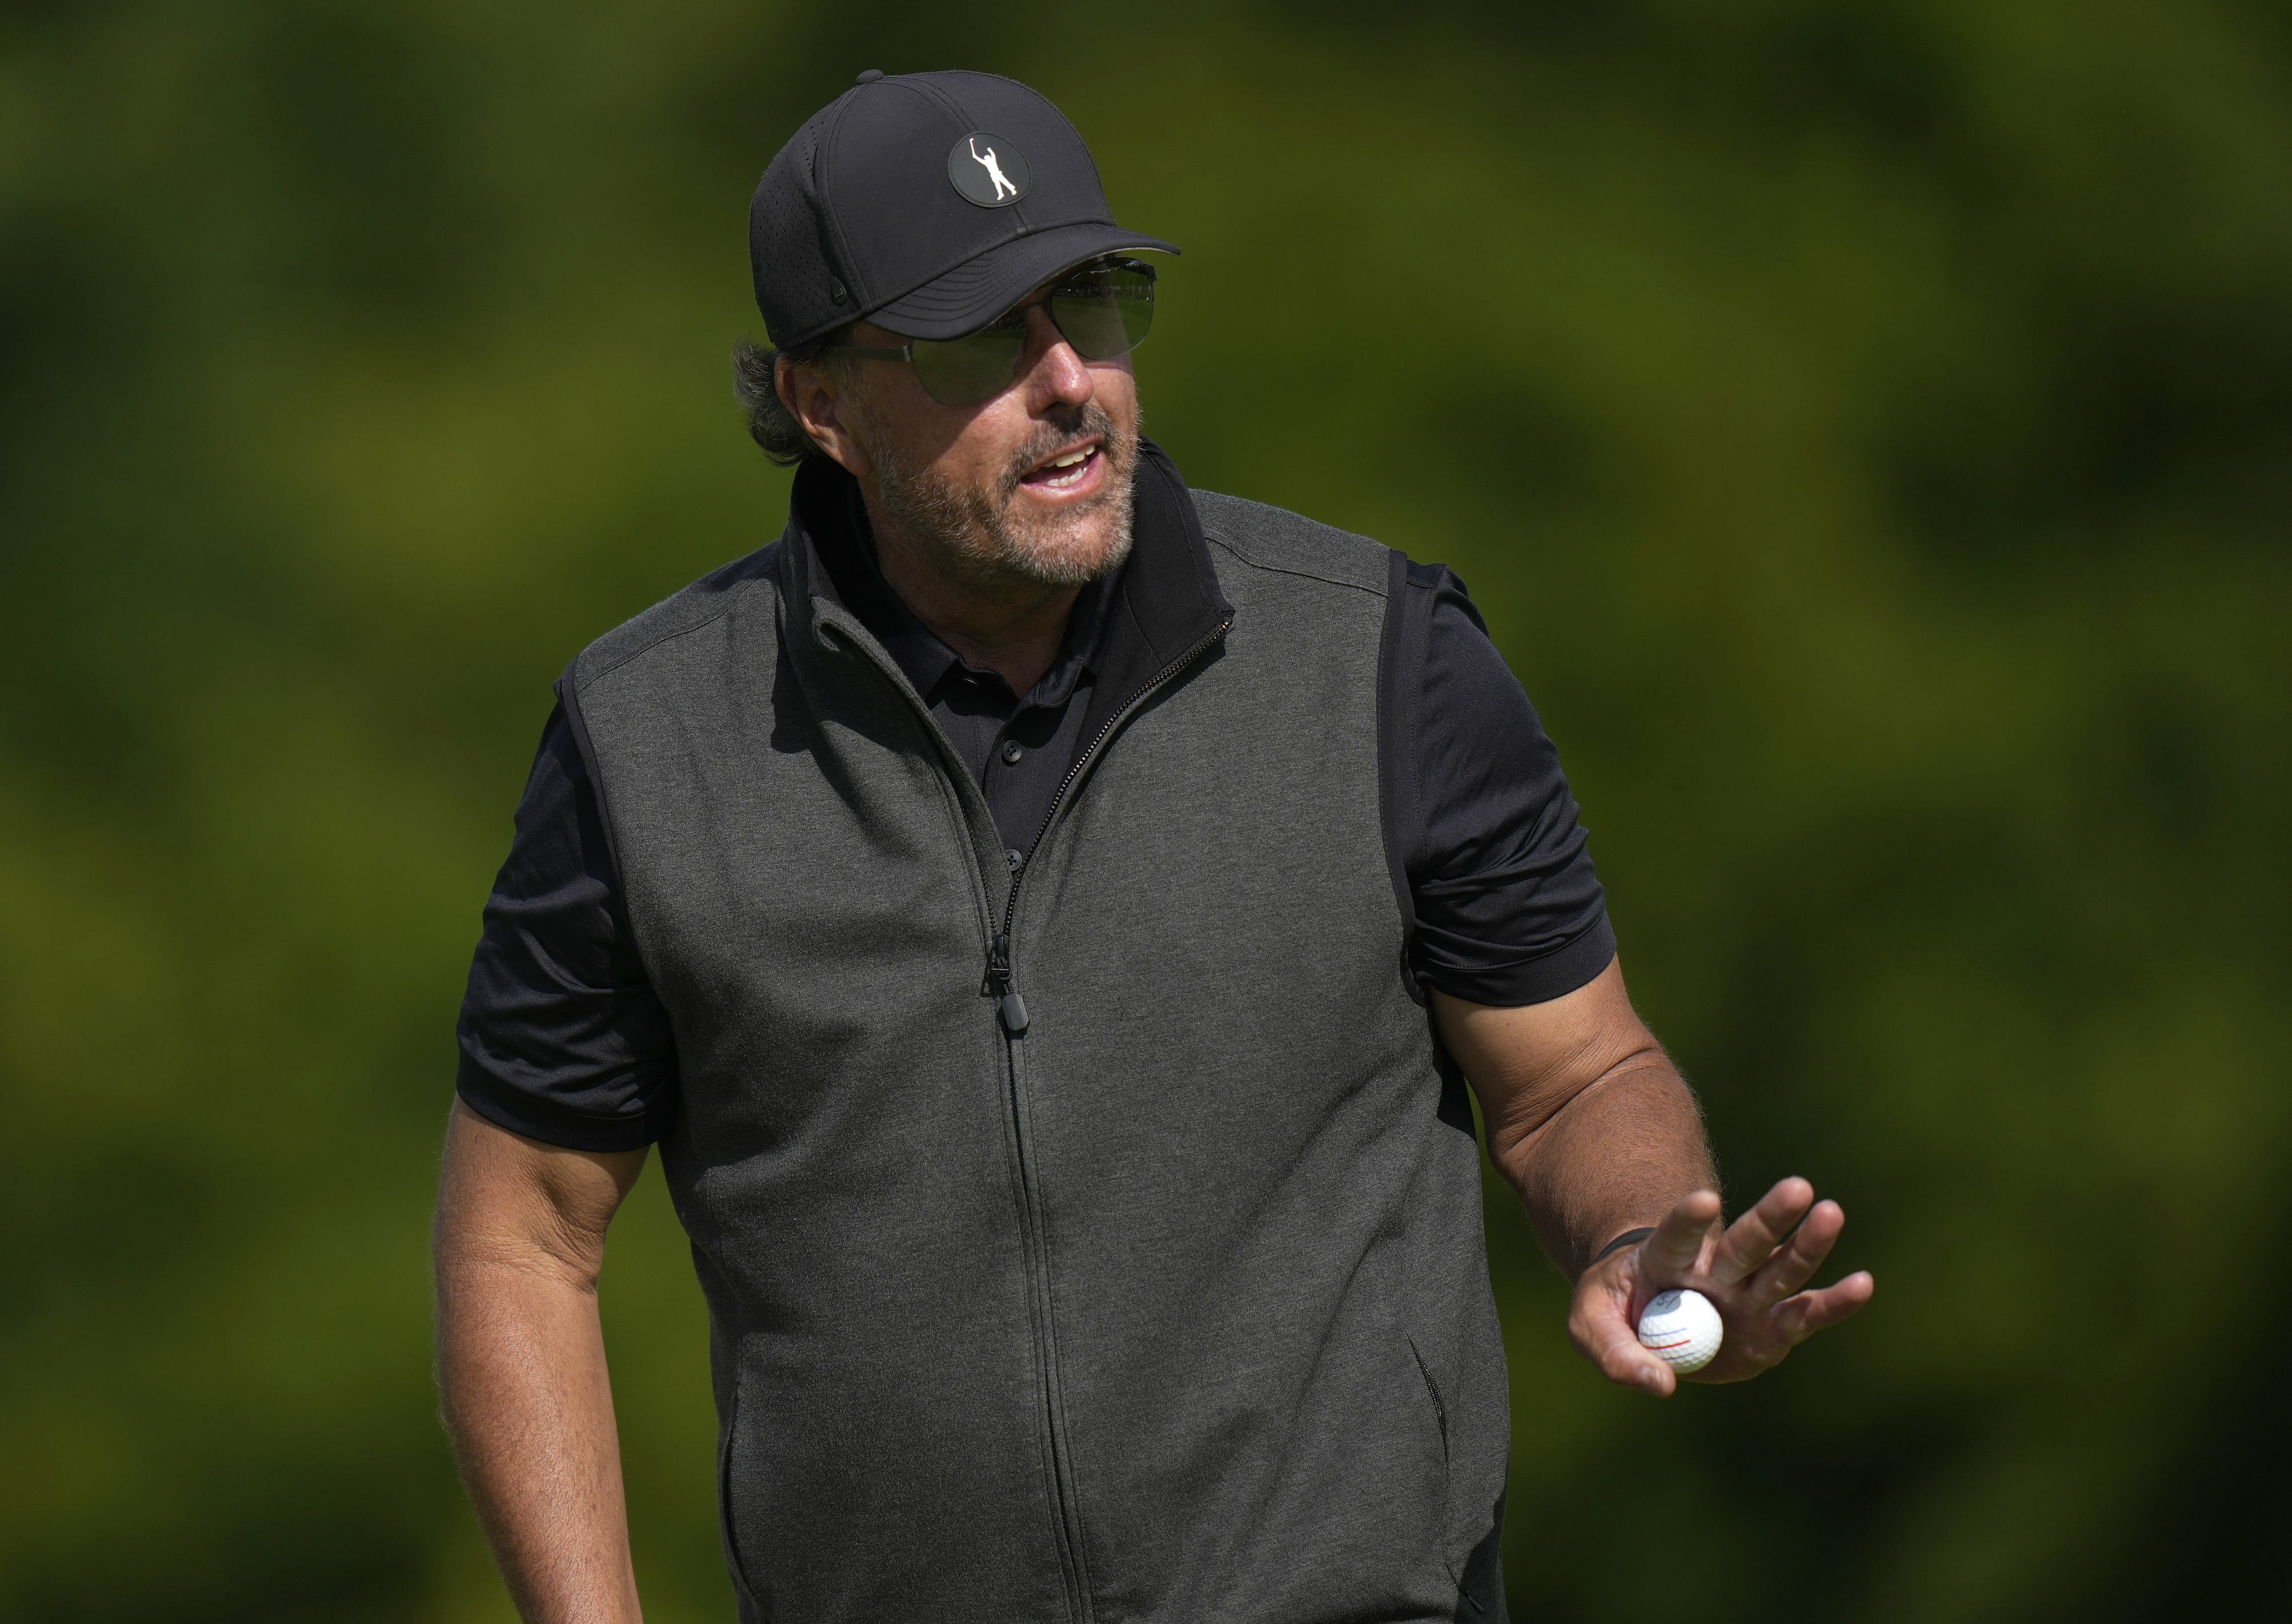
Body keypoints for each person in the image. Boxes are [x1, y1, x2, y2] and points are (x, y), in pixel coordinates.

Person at [432, 67, 1873, 1624]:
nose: (1067, 377)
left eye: (1090, 302)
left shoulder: (1385, 660)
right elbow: (519, 1238)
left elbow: (1575, 1075)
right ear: (820, 402)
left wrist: (1629, 1233)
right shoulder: (646, 746)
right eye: (983, 332)